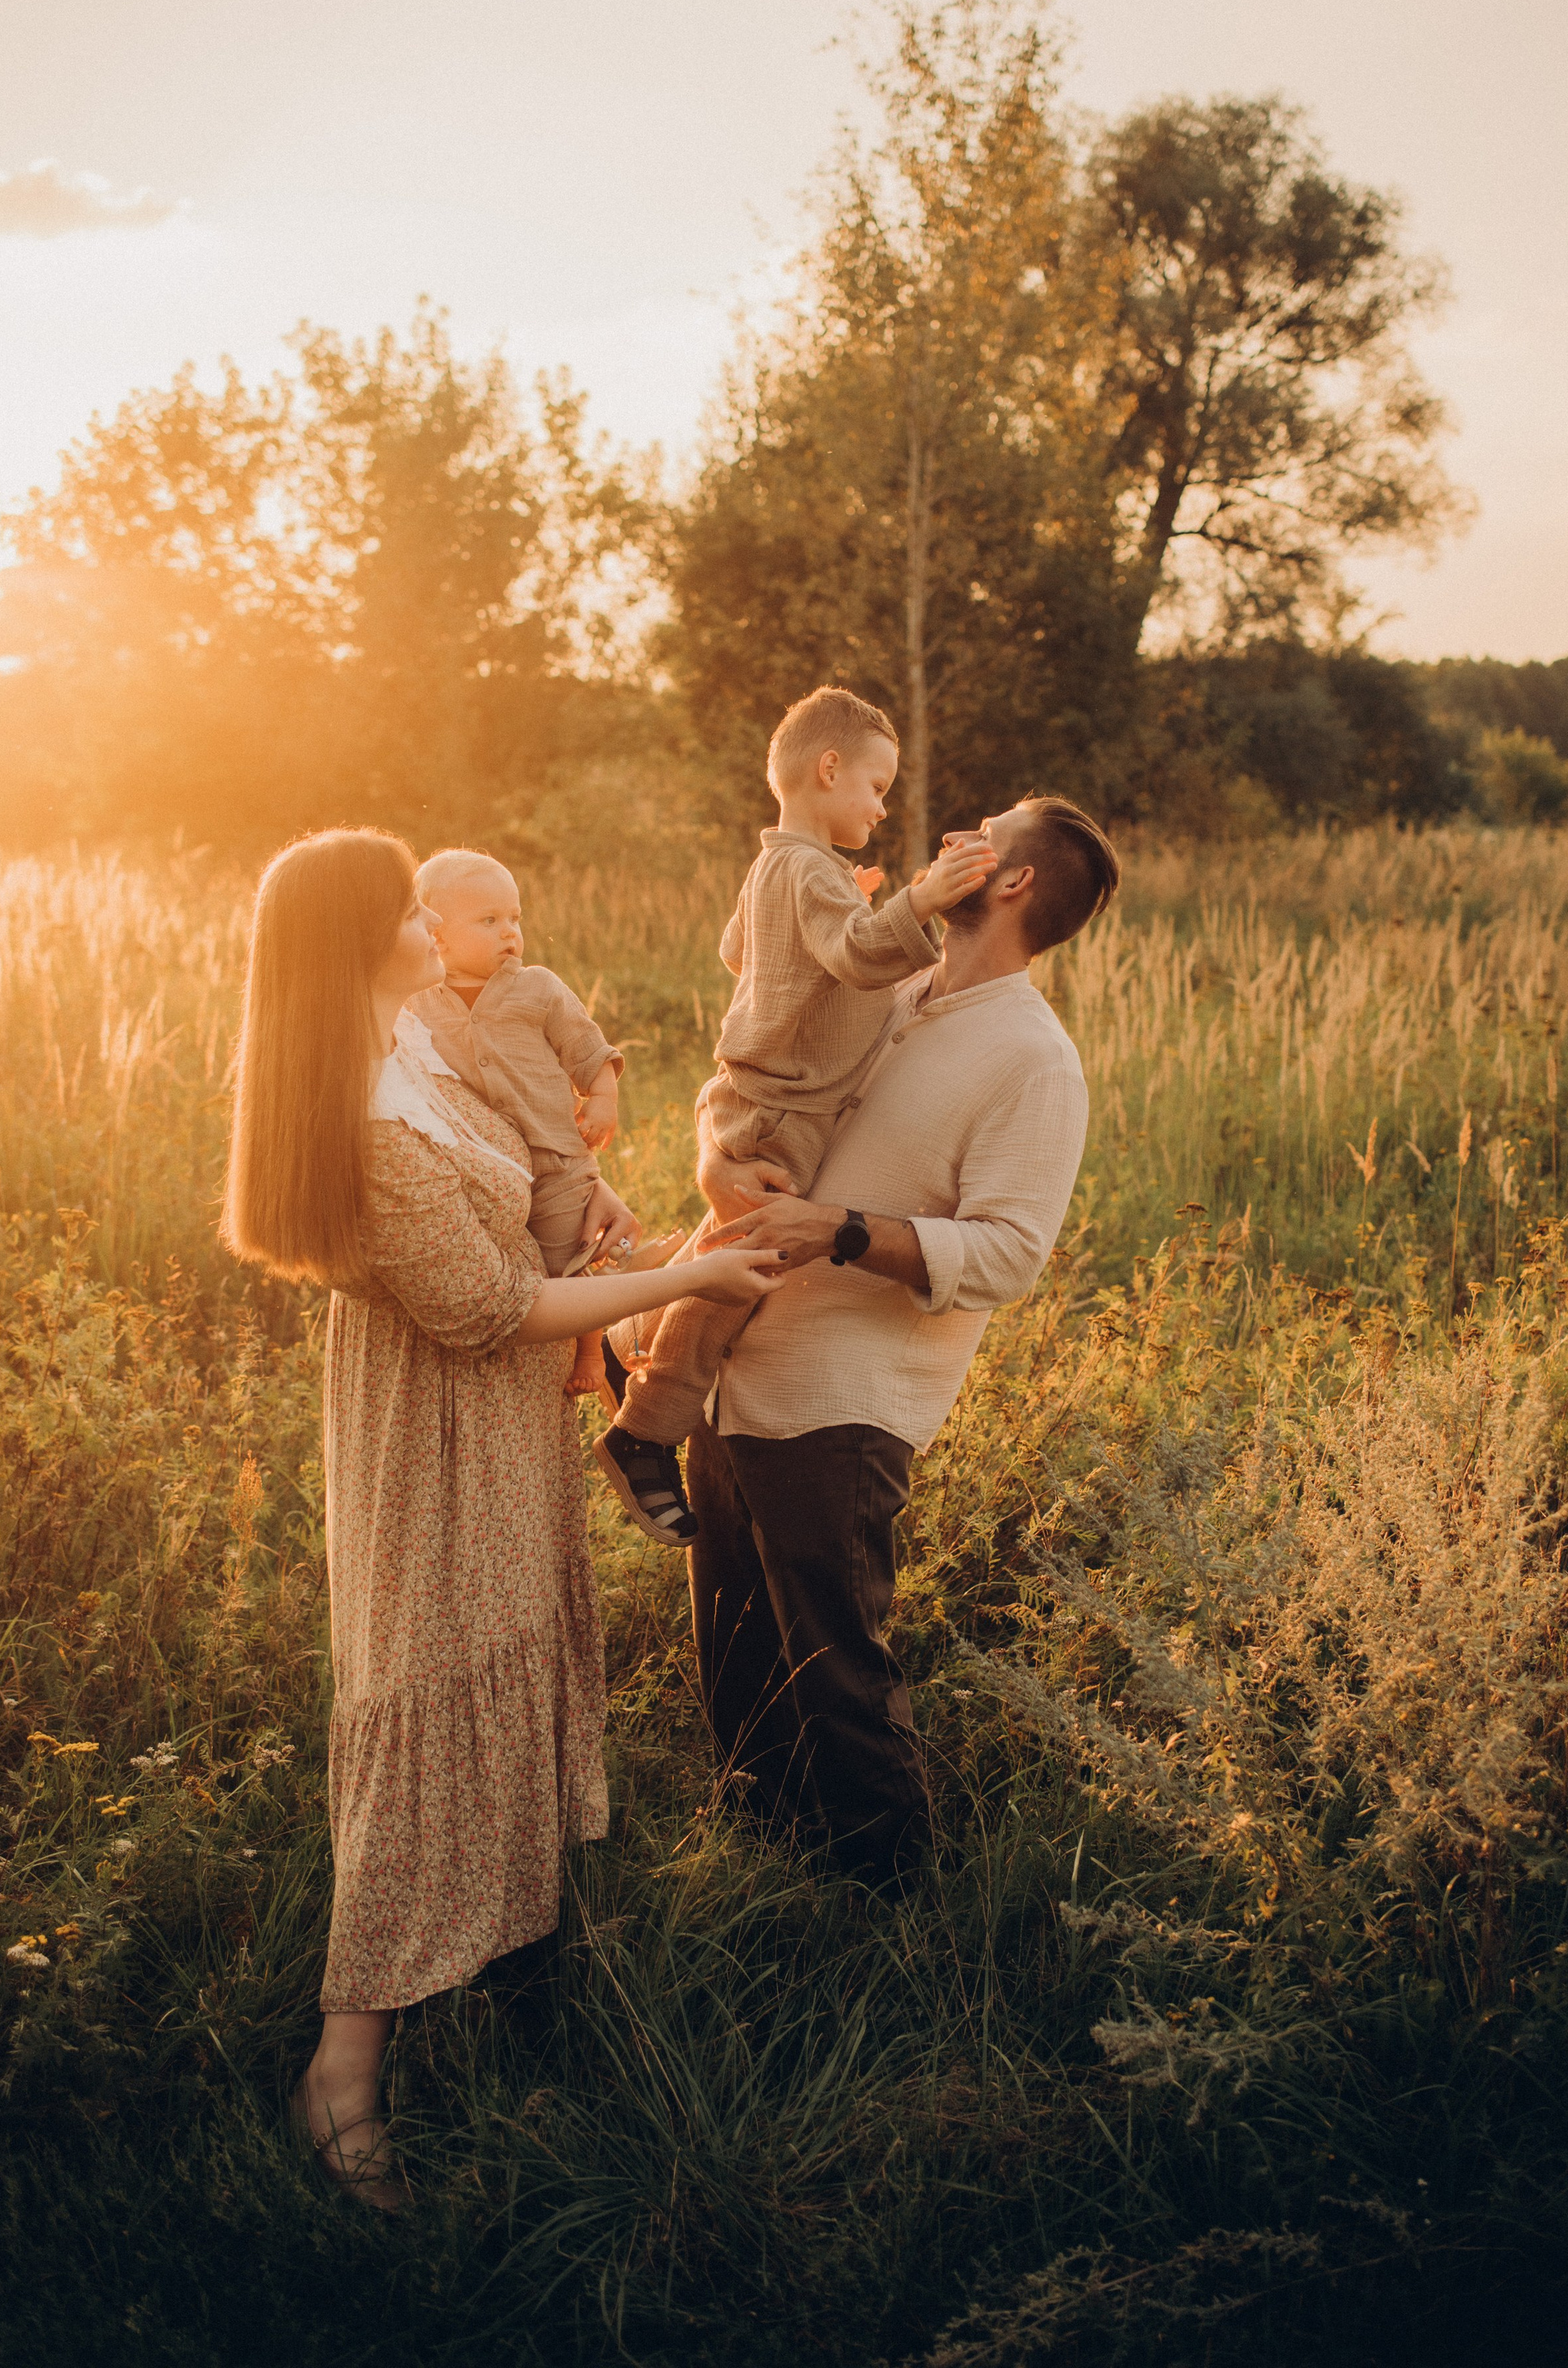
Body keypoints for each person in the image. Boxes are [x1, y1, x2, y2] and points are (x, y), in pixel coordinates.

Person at [219, 828, 786, 2207]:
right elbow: (494, 1313)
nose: (430, 920)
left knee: (506, 1658)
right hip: (441, 1436)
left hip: (502, 1425)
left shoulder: (413, 1041)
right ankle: (343, 2070)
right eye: (404, 907)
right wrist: (686, 1284)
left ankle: (502, 1958)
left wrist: (614, 1226)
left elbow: (528, 1224)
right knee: (426, 1703)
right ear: (364, 942)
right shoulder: (360, 1116)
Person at [685, 794, 1120, 1886]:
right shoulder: (888, 987)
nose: (956, 833)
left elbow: (1012, 1253)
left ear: (1012, 883)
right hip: (735, 1374)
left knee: (838, 1678)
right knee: (737, 1667)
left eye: (990, 829)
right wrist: (714, 1158)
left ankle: (897, 1926)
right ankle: (771, 1890)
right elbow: (752, 1073)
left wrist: (838, 1231)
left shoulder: (1034, 1060)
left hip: (844, 1404)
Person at [596, 686, 997, 1546]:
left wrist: (846, 902)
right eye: (876, 787)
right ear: (827, 770)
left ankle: (631, 1323)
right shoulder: (806, 869)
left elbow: (737, 951)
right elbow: (855, 958)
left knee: (737, 1248)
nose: (882, 806)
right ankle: (645, 1426)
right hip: (781, 1109)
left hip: (772, 1099)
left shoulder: (780, 866)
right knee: (746, 1265)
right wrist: (917, 900)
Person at [407, 846, 634, 1406]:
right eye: (489, 921)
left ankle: (591, 1346)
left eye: (515, 918)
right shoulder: (418, 1004)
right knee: (506, 1267)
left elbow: (587, 1046)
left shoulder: (537, 988)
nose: (510, 932)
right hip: (480, 1166)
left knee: (561, 1256)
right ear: (437, 934)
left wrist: (602, 1096)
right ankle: (623, 1276)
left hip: (555, 1155)